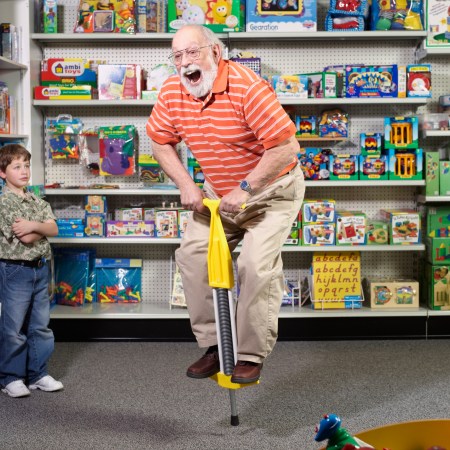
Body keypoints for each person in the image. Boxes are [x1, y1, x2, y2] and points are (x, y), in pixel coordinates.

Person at [146, 25, 305, 384]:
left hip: (270, 194)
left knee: (254, 263)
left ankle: (249, 355)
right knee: (191, 255)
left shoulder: (247, 87)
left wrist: (247, 187)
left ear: (215, 53)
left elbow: (287, 148)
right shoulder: (173, 91)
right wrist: (186, 184)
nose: (185, 63)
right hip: (218, 197)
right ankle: (216, 345)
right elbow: (158, 141)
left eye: (192, 52)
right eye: (177, 56)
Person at [0, 144, 63, 398]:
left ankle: (38, 374)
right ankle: (11, 377)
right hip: (16, 270)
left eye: (26, 165)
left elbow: (54, 229)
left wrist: (33, 225)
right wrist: (42, 228)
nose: (24, 170)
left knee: (40, 325)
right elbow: (24, 238)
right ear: (2, 172)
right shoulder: (5, 202)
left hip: (39, 269)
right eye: (17, 166)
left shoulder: (36, 199)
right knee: (13, 327)